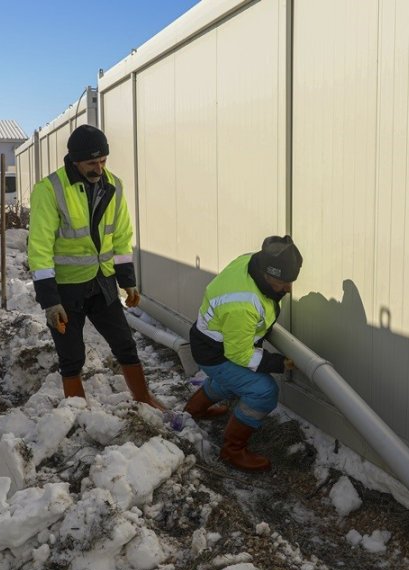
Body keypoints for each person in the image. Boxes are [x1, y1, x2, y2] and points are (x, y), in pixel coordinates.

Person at [27, 124, 162, 410]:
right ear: (74, 160)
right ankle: (77, 411)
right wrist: (51, 301)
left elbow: (122, 235)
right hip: (66, 289)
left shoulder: (113, 185)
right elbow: (39, 248)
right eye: (92, 163)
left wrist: (127, 280)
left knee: (125, 343)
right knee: (71, 355)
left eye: (103, 161)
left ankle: (144, 398)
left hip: (102, 282)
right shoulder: (49, 189)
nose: (99, 168)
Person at [186, 235, 303, 471]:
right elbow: (239, 355)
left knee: (235, 380)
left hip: (212, 342)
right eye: (285, 282)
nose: (289, 289)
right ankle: (232, 450)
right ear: (269, 274)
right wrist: (277, 362)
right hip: (215, 353)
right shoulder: (243, 304)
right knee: (263, 391)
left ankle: (194, 411)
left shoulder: (252, 261)